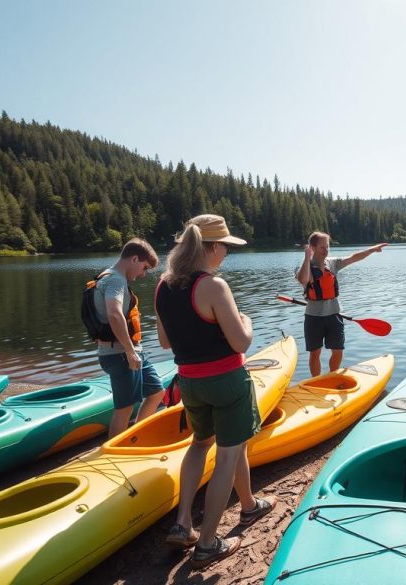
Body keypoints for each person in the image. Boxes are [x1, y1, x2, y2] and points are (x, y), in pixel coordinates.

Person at [155, 214, 274, 570]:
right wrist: (248, 324)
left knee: (201, 445)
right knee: (228, 453)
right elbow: (240, 341)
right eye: (225, 247)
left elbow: (164, 342)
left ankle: (186, 522)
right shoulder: (213, 286)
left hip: (189, 383)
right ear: (212, 247)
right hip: (226, 383)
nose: (226, 254)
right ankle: (207, 543)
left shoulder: (163, 285)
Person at [92, 237, 165, 438]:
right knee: (124, 408)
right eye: (144, 267)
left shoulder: (107, 276)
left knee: (156, 392)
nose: (144, 274)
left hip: (127, 352)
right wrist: (130, 351)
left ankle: (135, 437)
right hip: (121, 354)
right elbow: (114, 313)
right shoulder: (115, 279)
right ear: (134, 259)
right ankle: (112, 456)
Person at [296, 232, 387, 376]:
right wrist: (307, 258)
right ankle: (316, 381)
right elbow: (303, 279)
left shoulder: (332, 263)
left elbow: (353, 258)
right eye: (322, 247)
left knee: (338, 351)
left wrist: (372, 249)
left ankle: (332, 377)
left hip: (334, 315)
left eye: (327, 247)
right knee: (315, 353)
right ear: (312, 248)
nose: (326, 250)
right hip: (314, 317)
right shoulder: (303, 267)